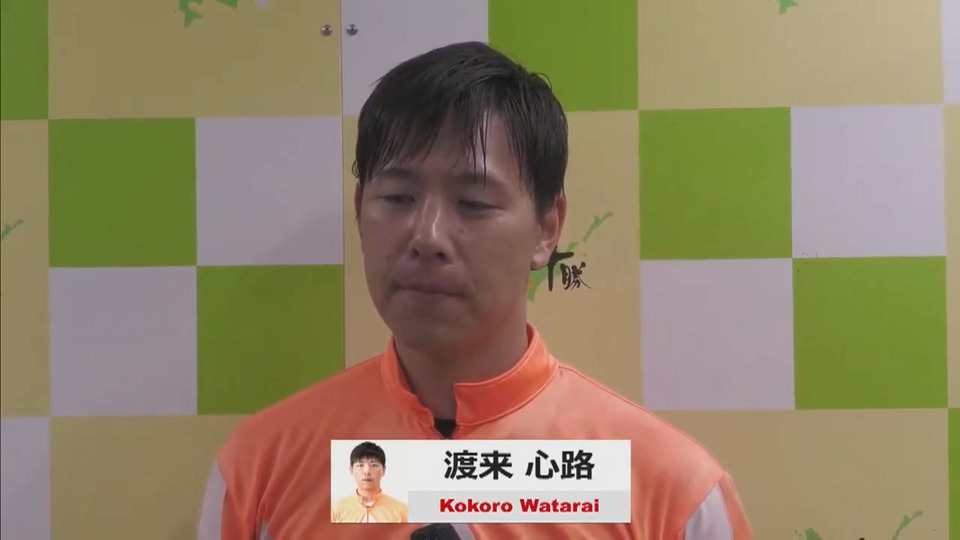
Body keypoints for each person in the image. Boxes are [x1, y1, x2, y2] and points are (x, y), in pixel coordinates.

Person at [196, 41, 753, 539]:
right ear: (360, 209)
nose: (428, 237)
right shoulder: (260, 471)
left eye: (474, 203)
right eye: (398, 198)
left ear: (547, 229)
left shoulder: (672, 494)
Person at [330, 441, 408, 523]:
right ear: (351, 470)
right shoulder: (335, 510)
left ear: (384, 470)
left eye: (374, 465)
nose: (367, 471)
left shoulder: (402, 511)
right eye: (360, 465)